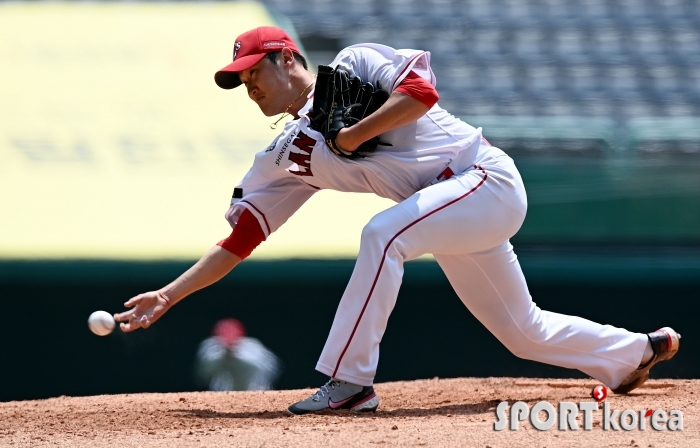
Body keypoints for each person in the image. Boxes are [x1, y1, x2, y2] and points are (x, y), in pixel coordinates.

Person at [114, 26, 680, 416]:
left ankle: (350, 383)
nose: (248, 85)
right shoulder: (286, 154)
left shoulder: (356, 63)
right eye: (240, 80)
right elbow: (242, 237)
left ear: (287, 57)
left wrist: (352, 134)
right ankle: (632, 353)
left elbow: (421, 92)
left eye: (253, 70)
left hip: (484, 179)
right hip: (449, 212)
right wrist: (169, 294)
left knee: (382, 234)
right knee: (521, 332)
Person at [194, 318, 281, 392]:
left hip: (253, 389)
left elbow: (271, 369)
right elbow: (203, 375)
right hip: (223, 393)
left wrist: (235, 356)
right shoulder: (210, 348)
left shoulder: (252, 347)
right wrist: (223, 357)